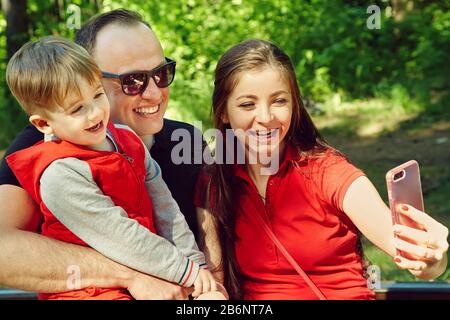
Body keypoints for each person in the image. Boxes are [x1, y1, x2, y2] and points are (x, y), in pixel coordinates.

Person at [195, 39, 449, 300]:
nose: (266, 117)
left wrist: (432, 260)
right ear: (224, 112)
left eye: (279, 101)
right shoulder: (216, 180)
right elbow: (215, 280)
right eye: (248, 104)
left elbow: (408, 252)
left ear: (294, 105)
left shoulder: (329, 171)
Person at [0, 9, 222, 300]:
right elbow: (3, 249)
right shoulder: (42, 151)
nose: (154, 94)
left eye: (161, 73)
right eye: (133, 81)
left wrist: (210, 283)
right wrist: (131, 276)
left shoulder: (188, 140)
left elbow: (211, 231)